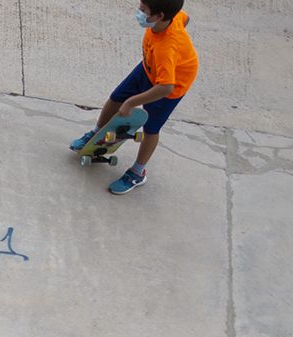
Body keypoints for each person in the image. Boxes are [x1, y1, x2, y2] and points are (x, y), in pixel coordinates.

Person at [69, 0, 198, 195]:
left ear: (160, 16)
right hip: (149, 69)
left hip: (170, 87)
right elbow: (185, 18)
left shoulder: (166, 48)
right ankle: (95, 134)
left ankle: (137, 173)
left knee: (151, 128)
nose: (138, 12)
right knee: (116, 97)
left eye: (143, 10)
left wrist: (132, 103)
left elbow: (165, 87)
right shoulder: (174, 18)